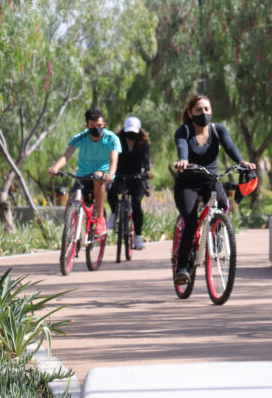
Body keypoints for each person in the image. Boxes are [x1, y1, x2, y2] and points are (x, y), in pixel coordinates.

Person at [172, 95, 255, 285]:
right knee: (191, 222)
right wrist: (183, 160)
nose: (204, 113)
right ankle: (182, 267)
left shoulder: (218, 130)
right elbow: (182, 146)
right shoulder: (184, 130)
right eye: (199, 110)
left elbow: (230, 146)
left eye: (207, 109)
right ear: (191, 113)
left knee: (224, 204)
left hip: (210, 180)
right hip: (188, 183)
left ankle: (217, 236)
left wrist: (241, 162)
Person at [48, 108, 121, 235]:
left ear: (104, 125)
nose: (96, 128)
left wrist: (111, 174)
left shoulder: (111, 139)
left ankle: (100, 218)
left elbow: (113, 158)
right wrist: (56, 168)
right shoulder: (81, 137)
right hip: (83, 177)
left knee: (98, 177)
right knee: (72, 201)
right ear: (87, 126)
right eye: (92, 126)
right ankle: (71, 236)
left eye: (99, 125)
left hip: (103, 177)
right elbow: (66, 155)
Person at [107, 116, 153, 250]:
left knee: (136, 202)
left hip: (137, 176)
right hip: (120, 174)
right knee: (112, 192)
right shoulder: (117, 141)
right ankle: (113, 214)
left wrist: (147, 171)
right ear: (124, 130)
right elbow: (112, 157)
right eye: (128, 132)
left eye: (133, 132)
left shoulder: (144, 143)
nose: (130, 135)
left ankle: (138, 236)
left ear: (139, 131)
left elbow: (145, 160)